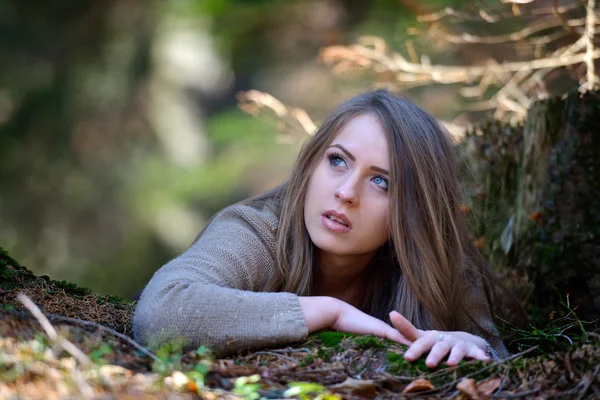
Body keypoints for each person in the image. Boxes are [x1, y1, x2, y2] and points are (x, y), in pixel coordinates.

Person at [133, 89, 515, 367]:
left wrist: (471, 344)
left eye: (381, 182)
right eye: (337, 161)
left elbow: (502, 364)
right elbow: (161, 312)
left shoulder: (436, 269)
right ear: (312, 163)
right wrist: (327, 312)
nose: (347, 192)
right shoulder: (258, 230)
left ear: (415, 211)